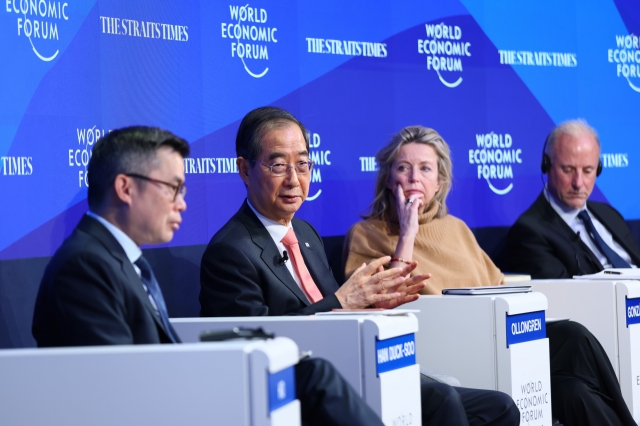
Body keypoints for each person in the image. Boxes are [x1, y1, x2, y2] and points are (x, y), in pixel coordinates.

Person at [32, 126, 382, 426]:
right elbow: (121, 385)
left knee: (311, 375)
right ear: (125, 188)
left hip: (178, 396)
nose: (182, 203)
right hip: (167, 408)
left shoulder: (114, 257)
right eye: (172, 188)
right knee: (314, 378)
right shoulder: (85, 266)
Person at [200, 107, 520, 426]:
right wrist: (342, 302)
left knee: (501, 408)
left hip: (354, 359)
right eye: (279, 166)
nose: (294, 180)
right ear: (244, 170)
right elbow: (255, 347)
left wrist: (372, 306)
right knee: (442, 401)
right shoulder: (231, 251)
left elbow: (337, 311)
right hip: (308, 384)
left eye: (302, 164)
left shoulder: (307, 235)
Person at [344, 125, 637, 426]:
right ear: (388, 179)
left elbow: (498, 284)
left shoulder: (456, 228)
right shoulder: (366, 235)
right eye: (403, 168)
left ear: (439, 182)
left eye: (425, 169)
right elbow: (384, 305)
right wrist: (407, 234)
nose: (414, 177)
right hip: (441, 342)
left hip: (493, 334)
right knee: (574, 345)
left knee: (573, 381)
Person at [506, 119, 640, 278]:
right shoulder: (529, 233)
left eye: (588, 170)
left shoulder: (609, 214)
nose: (578, 183)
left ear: (598, 169)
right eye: (568, 170)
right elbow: (565, 297)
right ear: (547, 166)